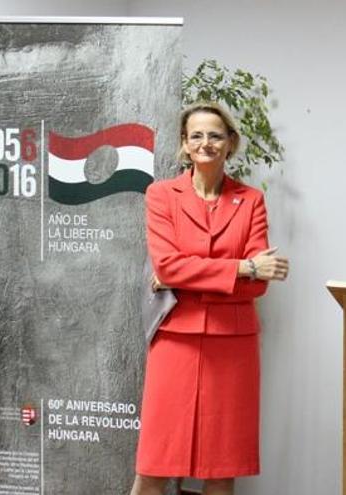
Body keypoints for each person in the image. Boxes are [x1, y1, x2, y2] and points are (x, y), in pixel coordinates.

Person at [130, 102, 289, 495]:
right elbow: (168, 266)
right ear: (184, 145)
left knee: (221, 469)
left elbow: (260, 283)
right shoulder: (162, 195)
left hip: (232, 348)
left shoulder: (250, 199)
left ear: (230, 143)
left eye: (215, 135)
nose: (206, 143)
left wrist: (190, 275)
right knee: (154, 466)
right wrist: (241, 268)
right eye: (196, 135)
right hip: (175, 341)